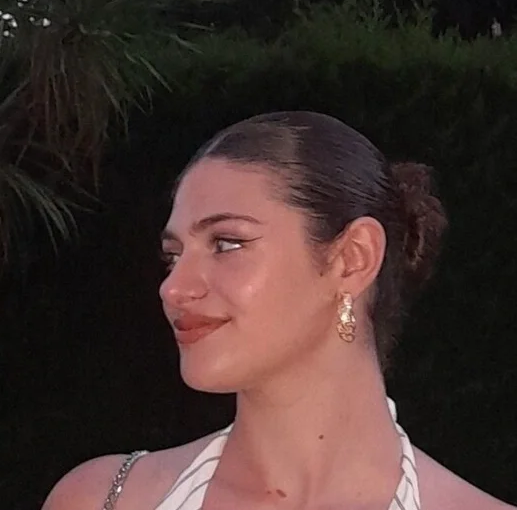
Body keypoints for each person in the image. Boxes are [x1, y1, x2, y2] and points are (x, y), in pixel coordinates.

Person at [43, 111, 515, 510]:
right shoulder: (102, 499)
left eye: (227, 243)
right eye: (173, 256)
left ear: (353, 259)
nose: (173, 288)